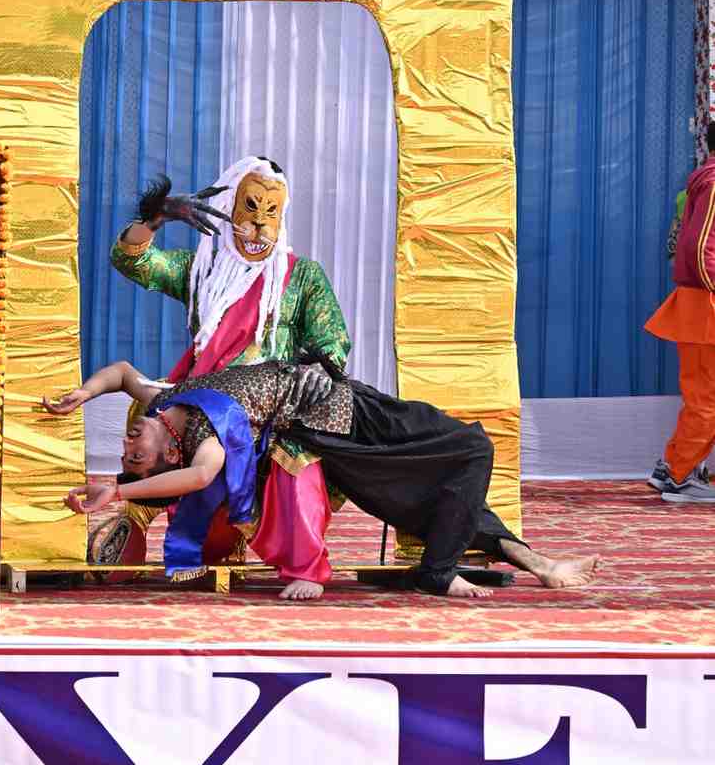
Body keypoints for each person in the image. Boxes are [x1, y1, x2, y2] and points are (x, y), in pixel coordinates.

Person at [46, 359, 600, 601]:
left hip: (346, 414)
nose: (126, 445)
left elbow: (122, 373)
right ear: (168, 451)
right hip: (347, 425)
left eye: (127, 447)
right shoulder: (202, 437)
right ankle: (439, 572)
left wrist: (83, 393)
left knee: (439, 496)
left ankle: (537, 563)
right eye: (135, 456)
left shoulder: (169, 400)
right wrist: (118, 491)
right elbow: (201, 474)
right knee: (473, 448)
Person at [92, 156, 351, 599]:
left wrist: (318, 368)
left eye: (272, 212)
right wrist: (156, 217)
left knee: (302, 452)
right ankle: (133, 520)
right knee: (148, 410)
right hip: (200, 404)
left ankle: (293, 558)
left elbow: (332, 342)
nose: (260, 225)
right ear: (229, 208)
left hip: (268, 410)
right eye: (250, 208)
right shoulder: (202, 269)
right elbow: (133, 260)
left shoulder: (302, 276)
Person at [645, 122, 715, 503]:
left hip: (699, 303)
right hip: (706, 304)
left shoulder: (704, 180)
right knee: (707, 400)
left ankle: (672, 468)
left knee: (702, 396)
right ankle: (678, 475)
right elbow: (701, 249)